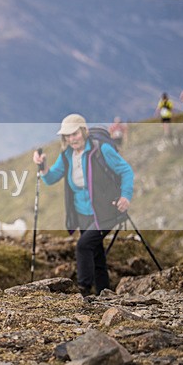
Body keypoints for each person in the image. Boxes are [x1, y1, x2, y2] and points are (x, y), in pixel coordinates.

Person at [33, 114, 134, 296]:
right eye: (67, 136)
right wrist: (42, 166)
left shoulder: (101, 149)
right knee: (96, 253)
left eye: (75, 134)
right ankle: (105, 292)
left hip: (106, 211)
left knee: (83, 246)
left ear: (83, 131)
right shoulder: (67, 155)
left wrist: (126, 196)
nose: (72, 139)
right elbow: (51, 178)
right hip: (82, 213)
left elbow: (125, 170)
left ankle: (83, 291)